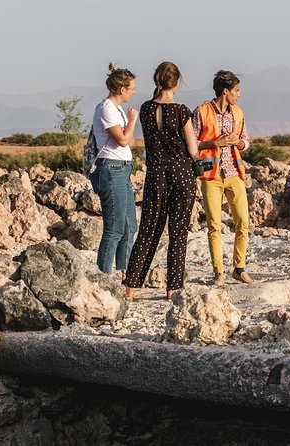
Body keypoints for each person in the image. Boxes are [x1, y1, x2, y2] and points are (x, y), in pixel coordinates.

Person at [122, 62, 198, 299]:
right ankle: (172, 287)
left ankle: (131, 285)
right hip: (181, 173)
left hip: (156, 174)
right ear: (176, 83)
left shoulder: (145, 109)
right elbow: (193, 148)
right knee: (177, 232)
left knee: (148, 228)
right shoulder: (182, 111)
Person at [192, 70, 253, 286]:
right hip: (211, 176)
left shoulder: (238, 112)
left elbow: (246, 141)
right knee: (214, 226)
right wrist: (213, 144)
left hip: (235, 173)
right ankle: (218, 272)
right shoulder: (201, 112)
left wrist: (238, 142)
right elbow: (191, 143)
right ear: (225, 91)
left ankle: (239, 268)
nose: (239, 95)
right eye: (236, 90)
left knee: (243, 222)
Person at [90, 63, 138, 286]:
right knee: (115, 227)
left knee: (130, 225)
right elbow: (122, 139)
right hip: (111, 170)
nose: (134, 91)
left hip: (123, 169)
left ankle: (124, 271)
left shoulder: (117, 110)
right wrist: (133, 120)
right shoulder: (106, 109)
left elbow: (128, 141)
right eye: (131, 88)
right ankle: (102, 278)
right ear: (121, 89)